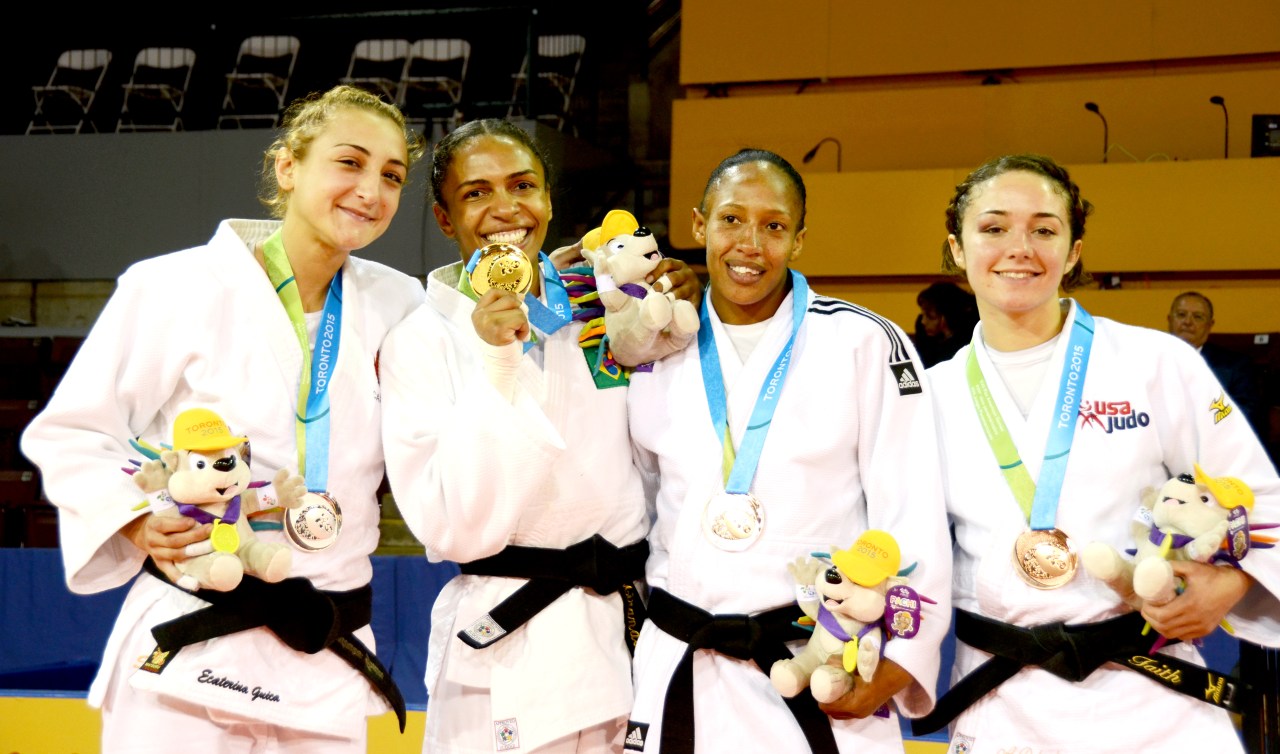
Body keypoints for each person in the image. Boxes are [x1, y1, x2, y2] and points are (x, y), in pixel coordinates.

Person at [19, 84, 426, 752]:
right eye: (349, 162)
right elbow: (73, 431)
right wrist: (137, 518)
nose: (371, 190)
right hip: (192, 641)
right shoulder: (173, 286)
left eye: (391, 175)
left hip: (323, 642)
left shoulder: (400, 304)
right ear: (288, 166)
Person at [913, 153, 1280, 752]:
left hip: (1152, 694)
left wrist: (1231, 584)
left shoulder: (1156, 363)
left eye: (1044, 229)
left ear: (1074, 250)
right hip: (1003, 696)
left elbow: (1259, 495)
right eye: (994, 227)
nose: (1019, 247)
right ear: (957, 247)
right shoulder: (930, 396)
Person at [377, 118, 702, 753]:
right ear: (445, 219)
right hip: (507, 645)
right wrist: (497, 359)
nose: (505, 208)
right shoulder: (421, 340)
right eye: (476, 193)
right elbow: (449, 528)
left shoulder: (601, 306)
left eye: (522, 185)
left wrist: (677, 314)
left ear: (549, 200)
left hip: (625, 632)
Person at [624, 148, 953, 753]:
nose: (750, 244)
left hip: (818, 658)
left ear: (798, 240)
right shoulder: (656, 347)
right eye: (731, 220)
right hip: (679, 656)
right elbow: (634, 509)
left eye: (774, 226)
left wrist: (903, 655)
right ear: (699, 225)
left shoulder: (862, 341)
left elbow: (912, 510)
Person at [1167, 291, 1266, 437]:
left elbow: (1247, 414)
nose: (1188, 322)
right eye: (1181, 315)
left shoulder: (1235, 366)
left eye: (1197, 317)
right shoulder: (1145, 361)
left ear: (1210, 325)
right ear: (1169, 320)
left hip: (1213, 446)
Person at [913, 281, 979, 368]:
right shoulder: (924, 338)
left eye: (930, 316)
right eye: (923, 314)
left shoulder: (970, 340)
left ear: (947, 316)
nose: (923, 321)